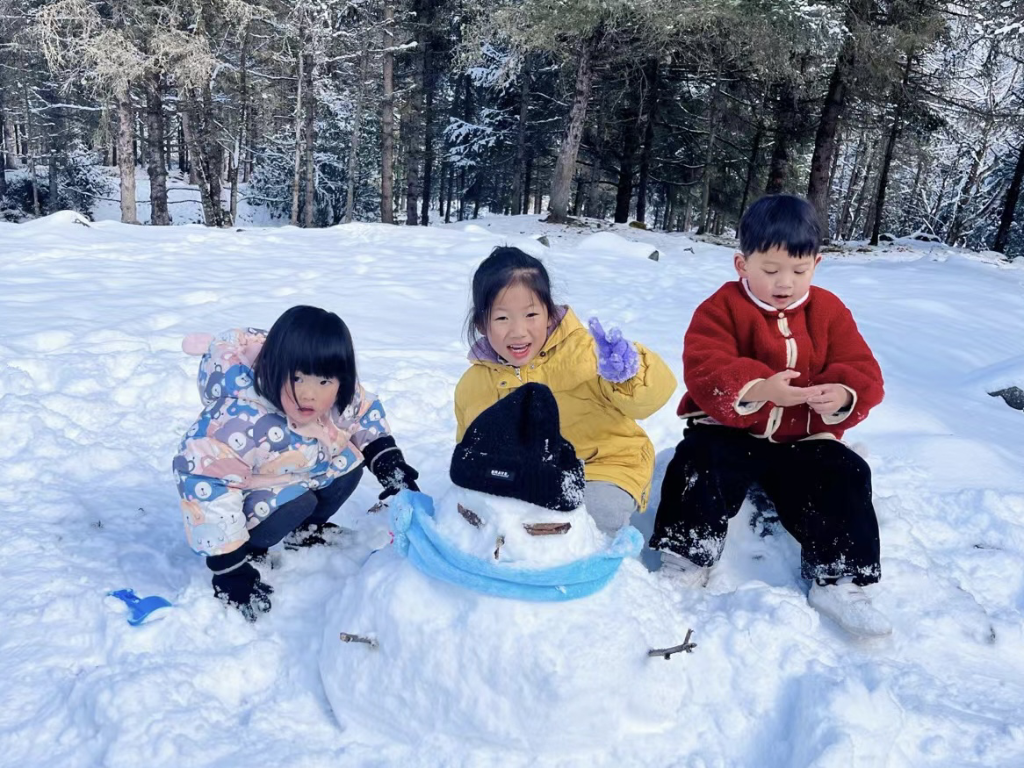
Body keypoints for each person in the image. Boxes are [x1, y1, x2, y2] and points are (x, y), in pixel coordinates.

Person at [650, 194, 889, 637]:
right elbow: (705, 366)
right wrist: (760, 389)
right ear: (742, 265)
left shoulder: (829, 311)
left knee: (845, 473)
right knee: (696, 463)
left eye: (799, 271)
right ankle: (687, 554)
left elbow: (863, 369)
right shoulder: (721, 308)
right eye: (770, 270)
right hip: (731, 430)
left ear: (815, 264)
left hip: (803, 438)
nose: (785, 283)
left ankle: (838, 577)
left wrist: (841, 394)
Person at [173, 305, 419, 621]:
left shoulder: (338, 395)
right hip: (251, 500)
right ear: (273, 367)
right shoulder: (239, 417)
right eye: (298, 377)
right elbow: (203, 481)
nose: (308, 395)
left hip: (298, 473)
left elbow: (362, 414)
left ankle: (303, 532)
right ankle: (253, 548)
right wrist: (229, 567)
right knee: (298, 503)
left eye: (324, 381)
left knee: (350, 463)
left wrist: (386, 459)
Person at [454, 246, 676, 535]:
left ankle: (607, 569)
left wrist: (630, 373)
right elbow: (470, 447)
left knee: (592, 517)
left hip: (603, 465)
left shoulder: (588, 354)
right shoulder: (473, 385)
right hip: (530, 475)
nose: (519, 330)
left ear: (549, 314)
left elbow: (649, 401)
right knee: (497, 523)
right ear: (481, 323)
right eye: (502, 318)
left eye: (531, 314)